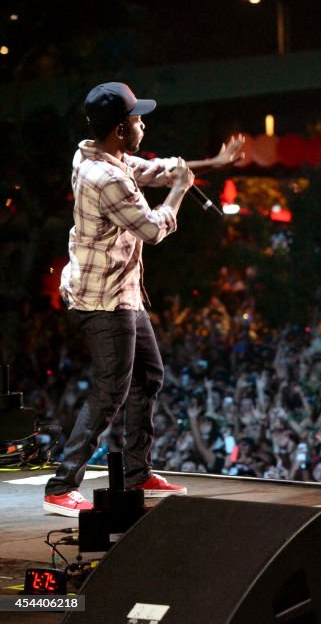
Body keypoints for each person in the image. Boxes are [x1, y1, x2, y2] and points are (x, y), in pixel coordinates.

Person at [43, 82, 243, 517]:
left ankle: (138, 472)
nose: (143, 123)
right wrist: (181, 191)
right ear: (119, 129)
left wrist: (211, 162)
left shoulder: (94, 153)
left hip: (122, 291)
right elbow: (152, 229)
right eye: (136, 119)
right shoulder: (105, 176)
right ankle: (61, 487)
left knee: (149, 375)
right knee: (110, 392)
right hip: (102, 300)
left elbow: (148, 168)